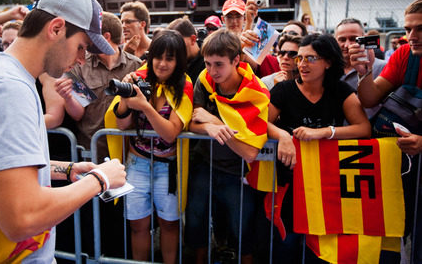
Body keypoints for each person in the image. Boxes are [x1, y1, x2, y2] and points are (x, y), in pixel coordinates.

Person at [0, 0, 127, 263]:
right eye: (81, 47)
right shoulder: (6, 88)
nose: (80, 60)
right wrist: (100, 180)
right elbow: (22, 218)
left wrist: (68, 169)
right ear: (56, 28)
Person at [267, 33, 371, 262]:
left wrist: (325, 132)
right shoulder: (283, 90)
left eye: (311, 58)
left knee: (321, 247)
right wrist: (283, 136)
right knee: (288, 244)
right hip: (290, 183)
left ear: (328, 62)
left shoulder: (341, 91)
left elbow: (363, 128)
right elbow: (261, 124)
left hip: (327, 184)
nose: (303, 64)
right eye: (300, 58)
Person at [107, 29, 193, 264]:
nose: (162, 64)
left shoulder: (184, 85)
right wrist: (126, 99)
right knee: (138, 226)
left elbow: (170, 134)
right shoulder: (140, 78)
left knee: (169, 225)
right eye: (158, 57)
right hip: (137, 163)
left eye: (170, 58)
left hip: (168, 167)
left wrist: (145, 106)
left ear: (179, 61)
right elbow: (122, 125)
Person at [186, 29, 270, 264]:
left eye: (219, 64)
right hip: (205, 164)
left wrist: (213, 122)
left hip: (238, 172)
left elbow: (250, 152)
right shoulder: (204, 79)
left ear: (236, 60)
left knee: (242, 229)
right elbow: (192, 122)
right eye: (207, 63)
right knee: (196, 221)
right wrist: (210, 128)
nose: (212, 71)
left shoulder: (256, 91)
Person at [350, 0, 422, 263]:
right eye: (407, 29)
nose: (411, 36)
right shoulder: (405, 55)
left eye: (420, 29)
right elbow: (370, 98)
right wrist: (363, 72)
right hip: (406, 168)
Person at [56, 11, 142, 161]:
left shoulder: (136, 65)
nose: (86, 40)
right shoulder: (80, 65)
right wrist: (68, 97)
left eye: (90, 35)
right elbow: (78, 113)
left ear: (106, 37)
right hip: (91, 151)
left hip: (127, 151)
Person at [334, 18, 387, 119]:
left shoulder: (383, 68)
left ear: (365, 38)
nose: (347, 45)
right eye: (342, 40)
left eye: (354, 39)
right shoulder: (327, 70)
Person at [223, 0, 280, 78]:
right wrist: (249, 24)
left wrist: (250, 22)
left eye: (238, 16)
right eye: (229, 16)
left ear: (245, 18)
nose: (234, 21)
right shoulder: (218, 41)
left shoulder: (255, 38)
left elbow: (253, 66)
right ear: (223, 19)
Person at [167, 17, 204, 83]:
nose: (174, 49)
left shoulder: (209, 61)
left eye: (178, 42)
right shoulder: (173, 62)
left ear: (193, 39)